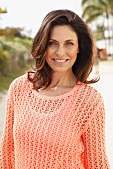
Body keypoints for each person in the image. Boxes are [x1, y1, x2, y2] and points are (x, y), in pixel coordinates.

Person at [0, 9, 110, 169]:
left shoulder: (89, 100)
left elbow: (97, 163)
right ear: (43, 45)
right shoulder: (19, 88)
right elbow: (7, 150)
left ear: (79, 47)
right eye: (52, 43)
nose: (60, 52)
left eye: (69, 43)